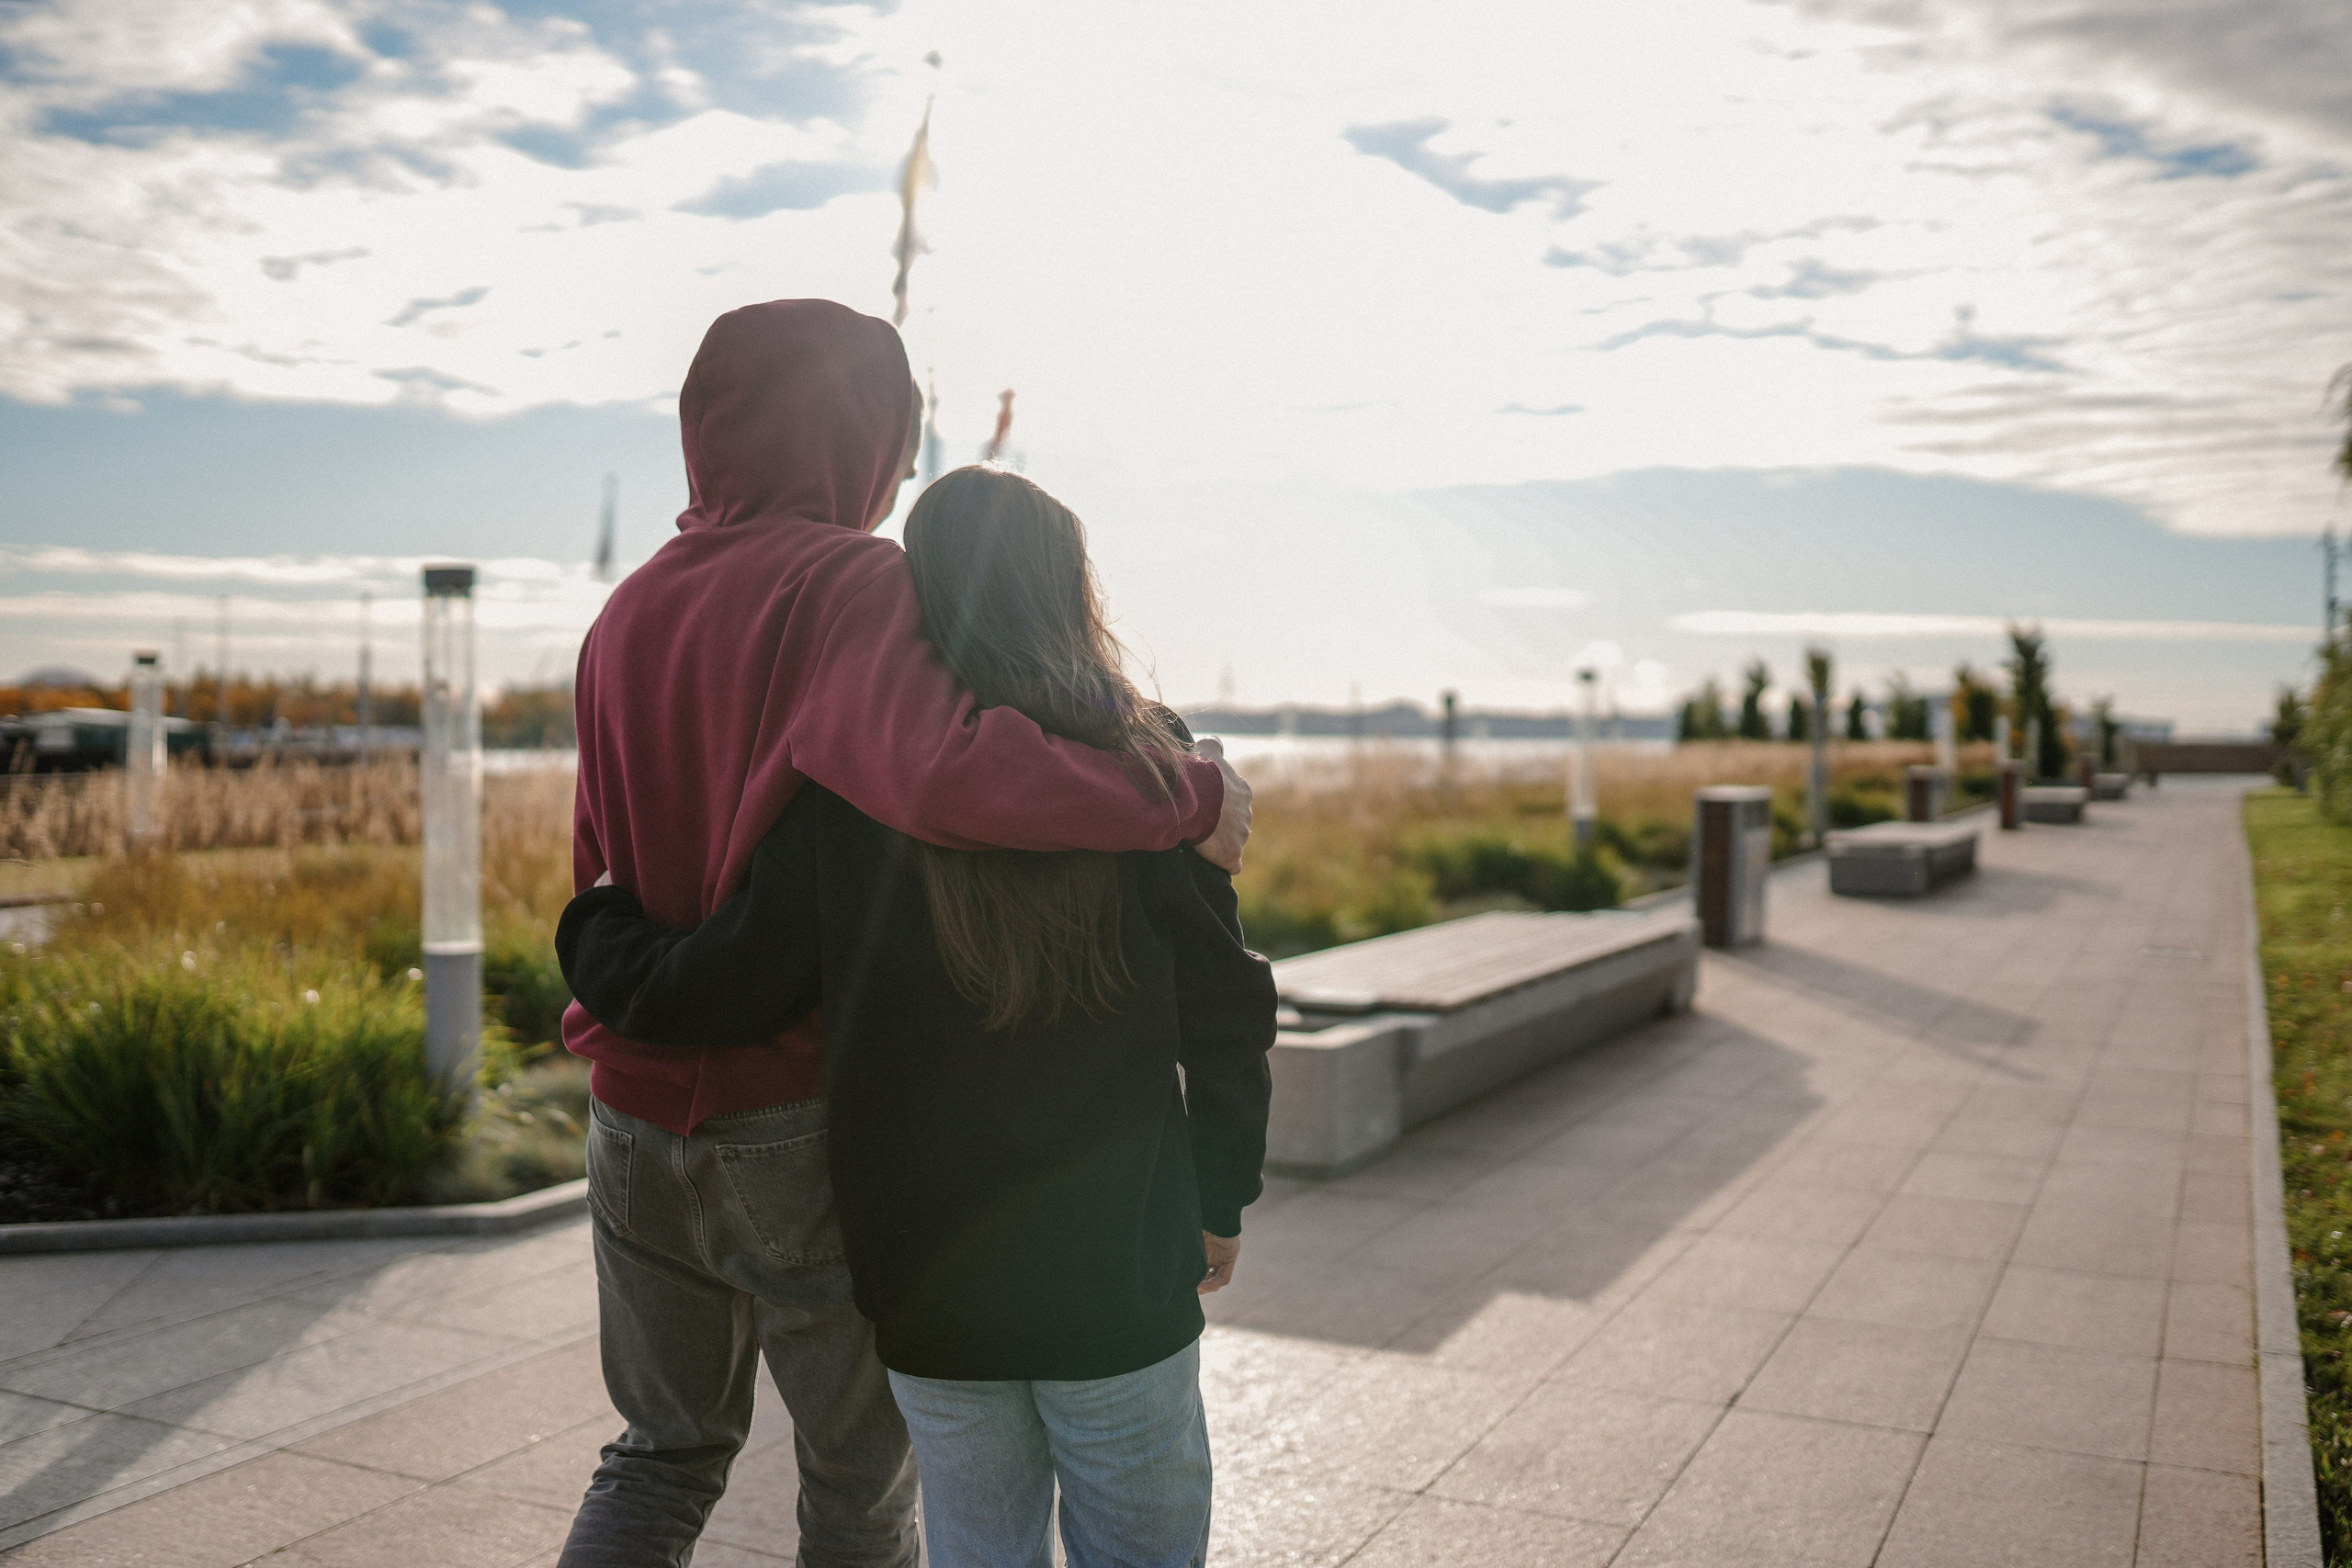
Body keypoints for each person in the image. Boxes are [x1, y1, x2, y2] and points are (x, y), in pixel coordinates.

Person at [556, 302, 1255, 1568]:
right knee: (859, 1490)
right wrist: (1184, 795)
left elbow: (596, 870)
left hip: (627, 1113)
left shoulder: (623, 615)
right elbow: (948, 774)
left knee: (656, 1459)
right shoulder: (850, 582)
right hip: (783, 1109)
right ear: (867, 434)